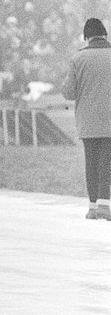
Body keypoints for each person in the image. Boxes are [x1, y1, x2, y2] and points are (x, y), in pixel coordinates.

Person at [61, 17, 111, 220]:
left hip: (87, 121)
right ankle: (105, 205)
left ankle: (92, 206)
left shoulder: (78, 59)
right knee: (107, 161)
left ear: (87, 37)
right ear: (105, 35)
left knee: (91, 162)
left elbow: (68, 92)